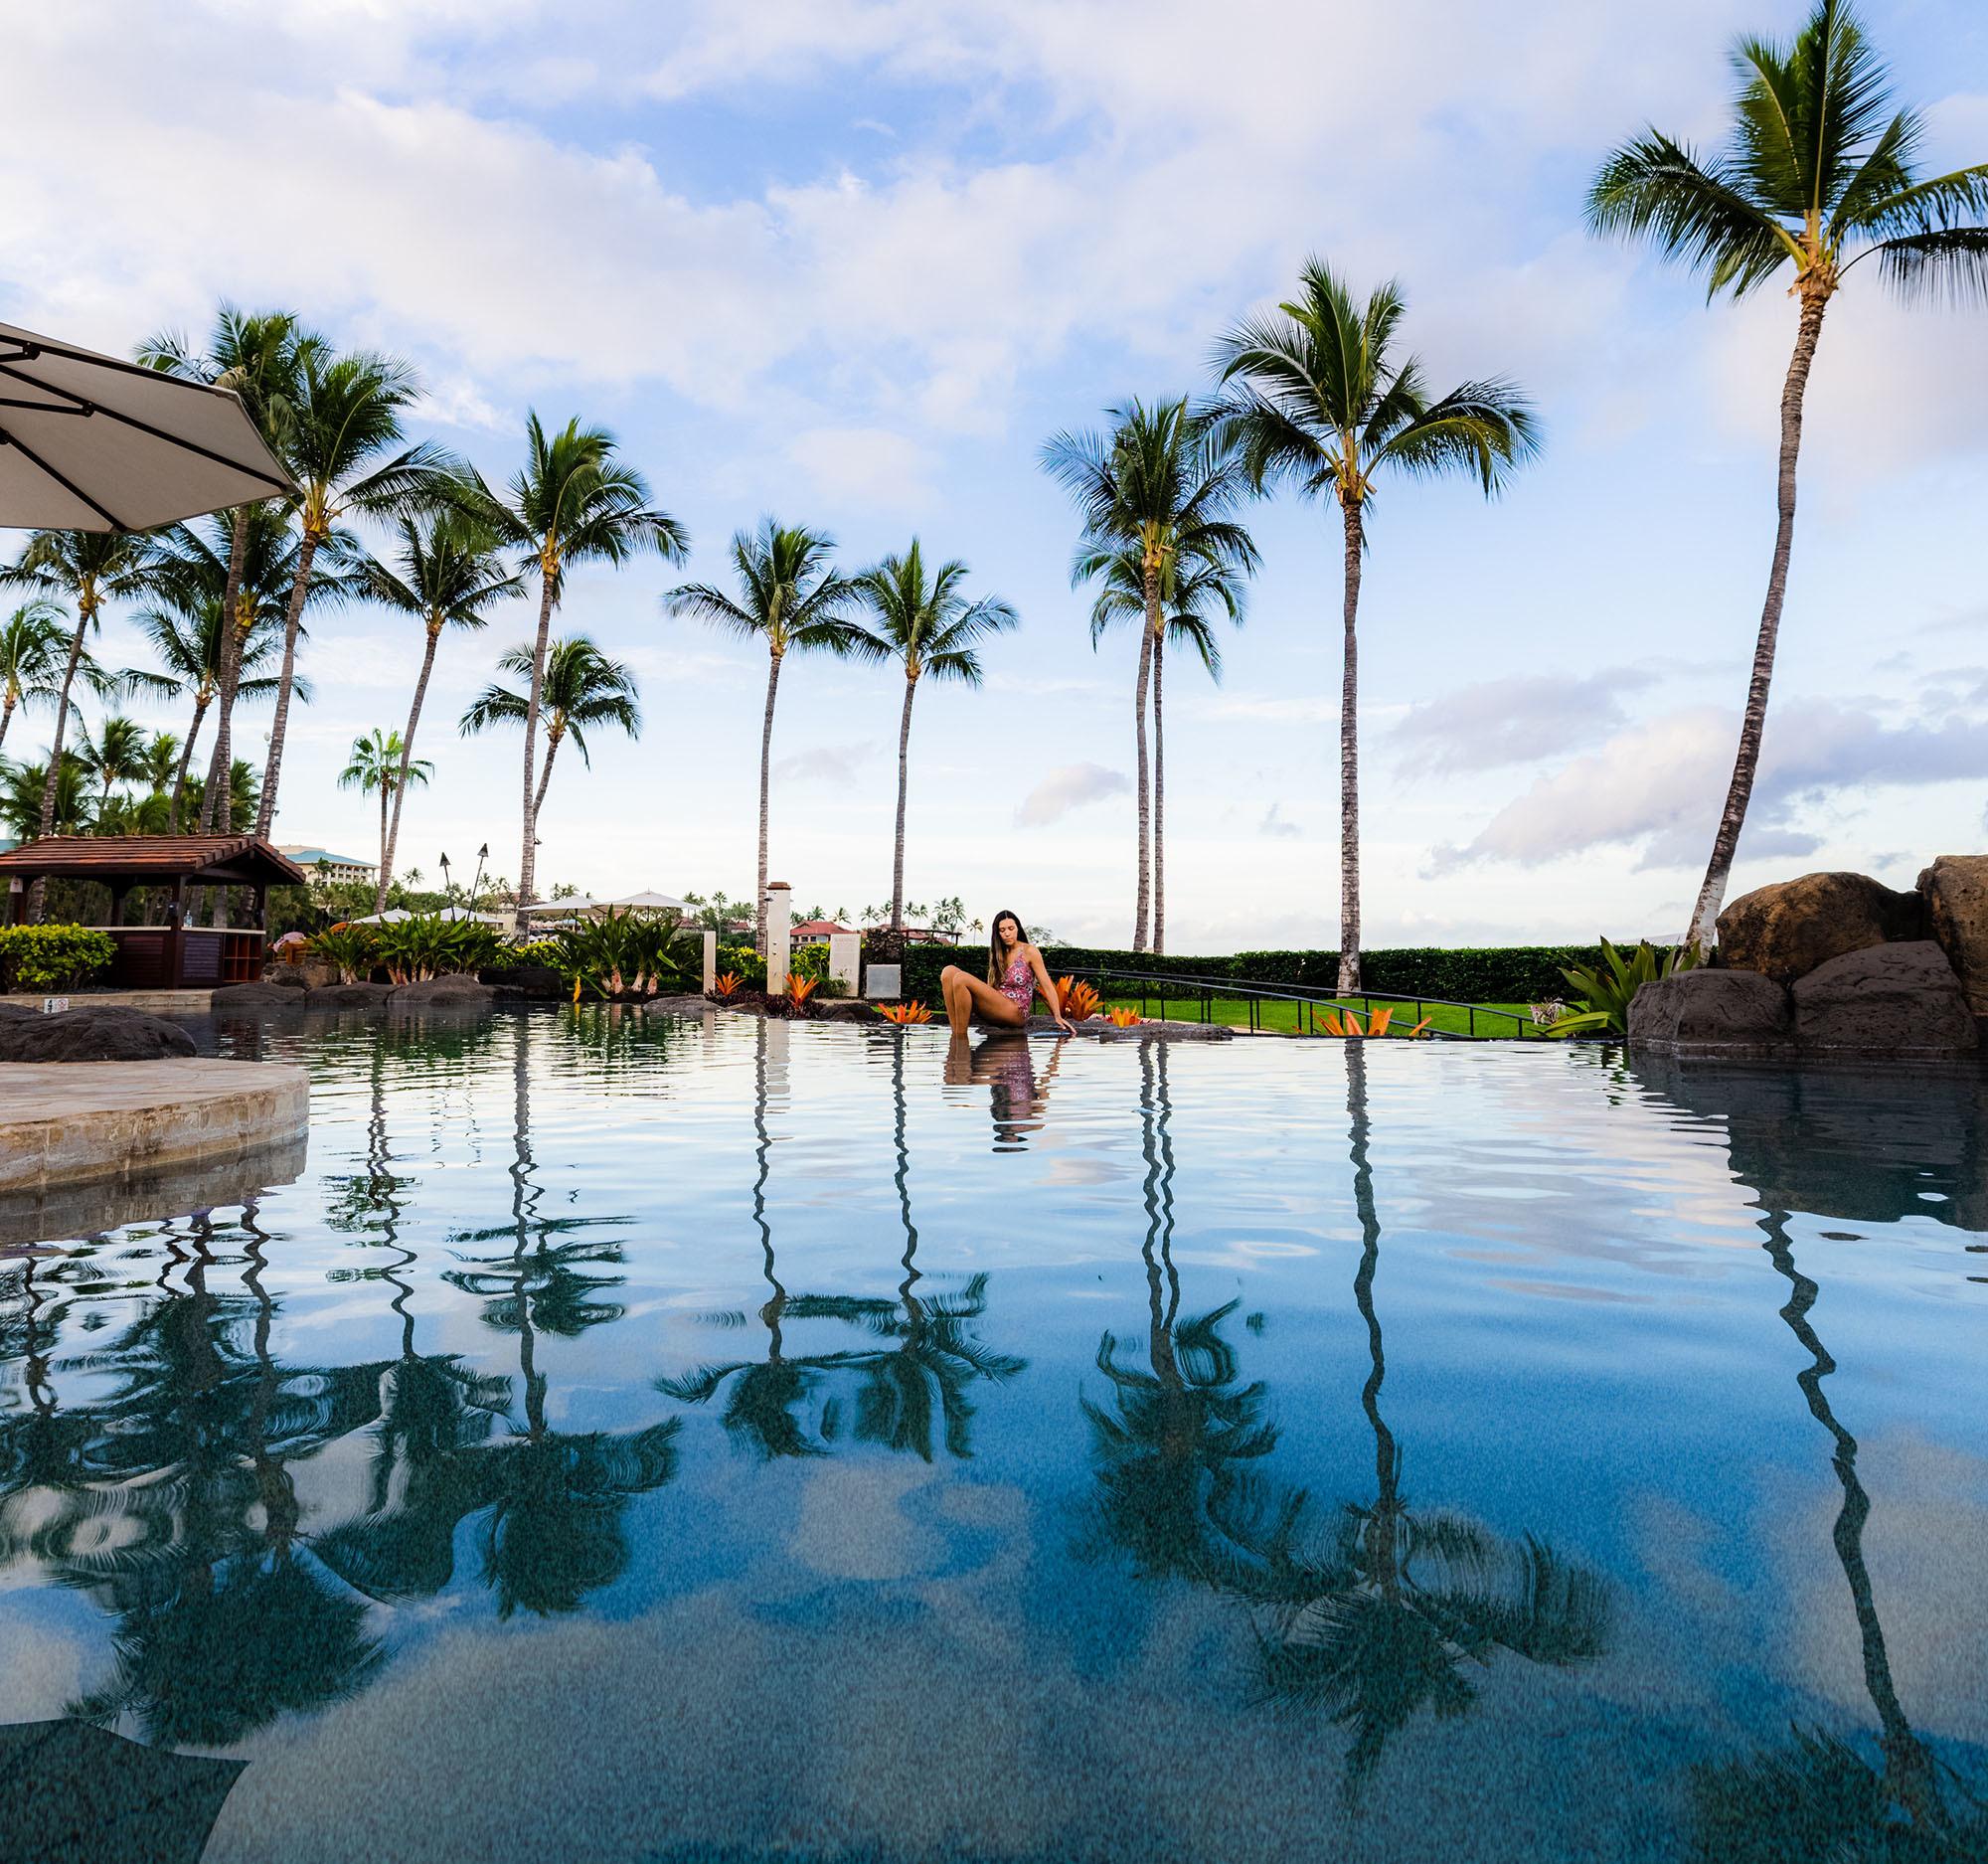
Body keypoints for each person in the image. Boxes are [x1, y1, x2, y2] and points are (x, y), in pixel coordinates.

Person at [939, 909, 1073, 1036]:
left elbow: (1047, 986)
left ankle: (960, 1038)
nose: (1007, 933)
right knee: (948, 971)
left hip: (1016, 1011)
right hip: (998, 1007)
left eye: (1011, 928)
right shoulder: (998, 954)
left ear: (1018, 929)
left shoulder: (1029, 951)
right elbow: (991, 987)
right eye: (1002, 930)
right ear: (997, 933)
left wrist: (1057, 1016)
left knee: (961, 978)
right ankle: (956, 1033)